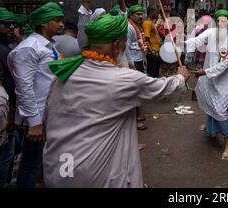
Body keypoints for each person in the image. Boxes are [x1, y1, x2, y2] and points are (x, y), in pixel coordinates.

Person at [42, 12, 189, 187]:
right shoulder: (124, 79)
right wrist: (180, 77)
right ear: (118, 44)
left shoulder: (65, 73)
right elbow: (162, 90)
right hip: (93, 171)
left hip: (58, 166)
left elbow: (47, 116)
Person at [7, 2, 64, 188]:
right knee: (31, 164)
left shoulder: (50, 46)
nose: (61, 24)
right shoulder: (28, 48)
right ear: (44, 24)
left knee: (50, 161)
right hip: (38, 118)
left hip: (52, 114)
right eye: (57, 20)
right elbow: (24, 87)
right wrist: (34, 123)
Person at [185, 10, 228, 161]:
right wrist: (180, 42)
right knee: (209, 102)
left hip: (224, 81)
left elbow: (227, 61)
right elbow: (196, 41)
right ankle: (210, 127)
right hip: (209, 79)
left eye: (224, 21)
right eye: (219, 21)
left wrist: (206, 72)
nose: (221, 24)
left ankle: (227, 144)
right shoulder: (211, 32)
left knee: (220, 111)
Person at [0, 8, 16, 188]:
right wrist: (8, 113)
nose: (11, 27)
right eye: (6, 24)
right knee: (1, 162)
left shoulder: (3, 46)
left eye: (12, 23)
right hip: (0, 115)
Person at [143, 7, 162, 78]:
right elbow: (146, 39)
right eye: (156, 12)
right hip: (152, 53)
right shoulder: (147, 23)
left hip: (156, 52)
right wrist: (152, 51)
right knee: (152, 75)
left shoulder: (152, 23)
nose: (157, 14)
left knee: (156, 74)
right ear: (152, 12)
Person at [126, 5, 146, 72]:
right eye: (138, 14)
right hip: (133, 62)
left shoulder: (138, 27)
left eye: (141, 14)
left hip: (140, 60)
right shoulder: (129, 27)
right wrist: (131, 64)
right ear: (131, 15)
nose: (141, 17)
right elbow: (126, 47)